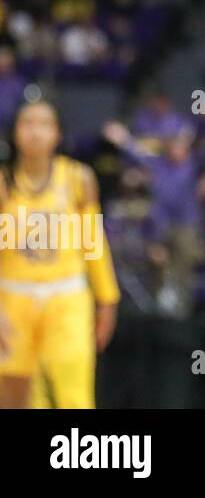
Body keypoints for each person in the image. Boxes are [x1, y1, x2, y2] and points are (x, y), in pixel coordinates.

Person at [0, 100, 120, 408]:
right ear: (14, 132)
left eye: (44, 124)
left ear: (57, 133)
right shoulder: (3, 184)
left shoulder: (79, 179)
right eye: (27, 123)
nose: (35, 132)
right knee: (19, 400)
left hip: (66, 301)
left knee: (74, 396)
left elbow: (93, 245)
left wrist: (107, 299)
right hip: (13, 303)